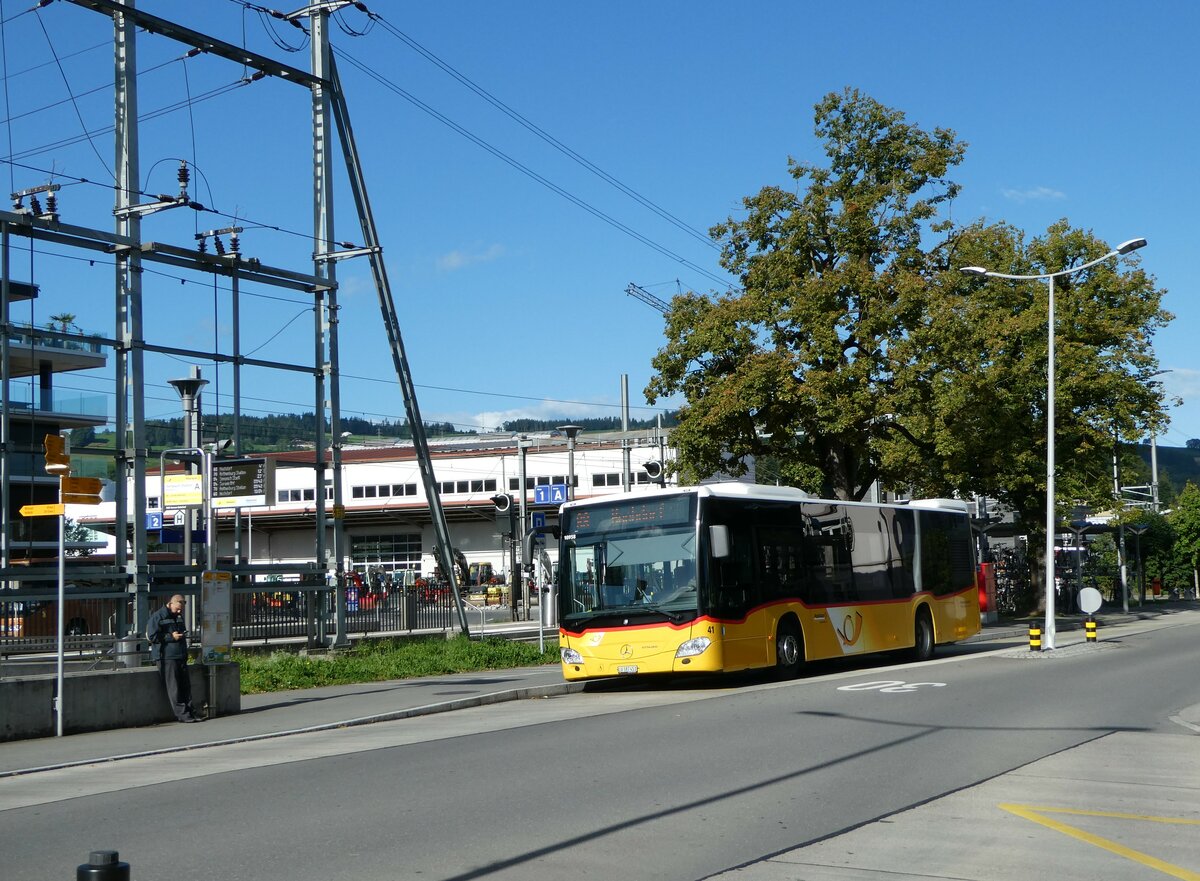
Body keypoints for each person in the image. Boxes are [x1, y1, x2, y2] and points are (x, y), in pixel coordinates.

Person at [146, 594, 200, 722]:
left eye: (181, 609)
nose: (180, 612)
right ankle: (183, 715)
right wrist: (171, 637)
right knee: (174, 687)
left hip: (180, 655)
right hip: (166, 657)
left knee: (185, 686)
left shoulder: (178, 617)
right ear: (171, 604)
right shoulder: (157, 617)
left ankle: (191, 712)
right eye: (178, 609)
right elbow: (152, 636)